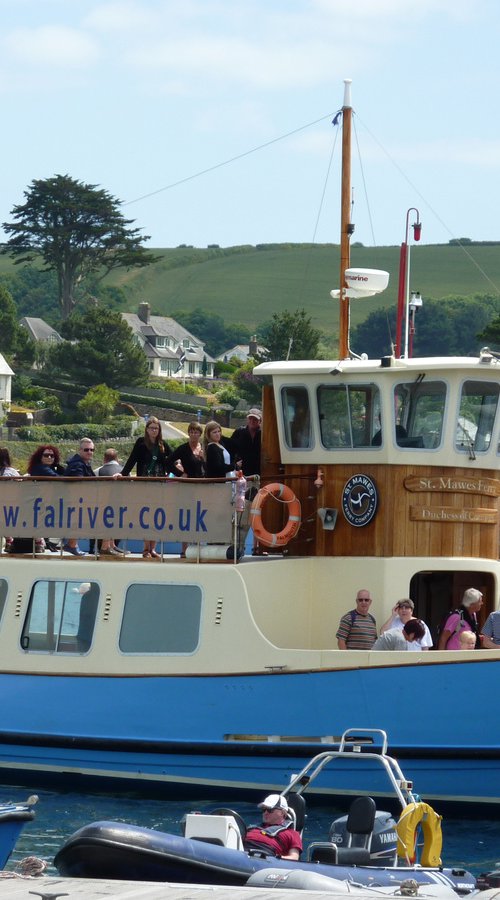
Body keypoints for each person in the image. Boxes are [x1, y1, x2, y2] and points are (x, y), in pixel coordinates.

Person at [120, 416, 171, 559]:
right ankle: (145, 548)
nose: (154, 431)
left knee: (156, 517)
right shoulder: (141, 443)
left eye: (156, 428)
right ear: (147, 430)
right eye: (151, 428)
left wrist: (181, 471)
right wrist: (123, 474)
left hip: (159, 485)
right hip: (144, 484)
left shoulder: (163, 445)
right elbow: (132, 459)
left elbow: (172, 460)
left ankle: (153, 548)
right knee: (145, 516)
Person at [27, 445, 64, 552]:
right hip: (38, 501)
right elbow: (57, 478)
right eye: (46, 455)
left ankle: (47, 542)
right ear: (40, 457)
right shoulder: (40, 468)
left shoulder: (53, 467)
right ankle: (43, 542)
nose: (49, 457)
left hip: (49, 501)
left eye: (52, 455)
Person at [63, 438, 96, 556]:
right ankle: (71, 545)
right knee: (76, 521)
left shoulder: (84, 463)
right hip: (75, 500)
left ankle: (72, 544)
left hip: (80, 500)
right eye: (86, 449)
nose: (90, 452)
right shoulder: (77, 464)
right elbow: (79, 482)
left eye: (92, 450)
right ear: (80, 450)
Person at [244, 794, 302, 860]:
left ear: (282, 813)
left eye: (269, 810)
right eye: (264, 810)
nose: (265, 813)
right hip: (241, 850)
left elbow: (294, 857)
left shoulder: (292, 834)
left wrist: (276, 859)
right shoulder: (252, 828)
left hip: (266, 856)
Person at [230, 409, 261, 477]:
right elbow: (230, 449)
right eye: (250, 418)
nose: (252, 421)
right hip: (241, 470)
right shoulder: (239, 432)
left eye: (255, 419)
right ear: (247, 419)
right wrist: (234, 464)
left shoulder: (263, 434)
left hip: (258, 470)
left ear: (260, 421)